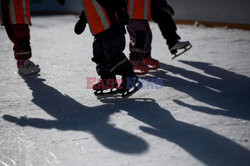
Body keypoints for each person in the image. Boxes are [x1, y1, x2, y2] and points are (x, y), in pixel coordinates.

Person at [74, 0, 141, 97]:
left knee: (113, 55)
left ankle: (130, 77)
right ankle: (108, 80)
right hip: (99, 30)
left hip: (112, 26)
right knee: (99, 56)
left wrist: (121, 10)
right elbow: (92, 5)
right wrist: (83, 20)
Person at [0, 0, 65, 76]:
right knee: (21, 39)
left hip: (21, 16)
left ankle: (21, 63)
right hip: (15, 16)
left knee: (22, 39)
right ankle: (25, 63)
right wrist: (5, 13)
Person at [126, 0, 191, 74]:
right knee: (139, 36)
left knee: (147, 35)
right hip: (133, 12)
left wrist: (162, 5)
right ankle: (134, 60)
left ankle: (145, 57)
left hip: (143, 12)